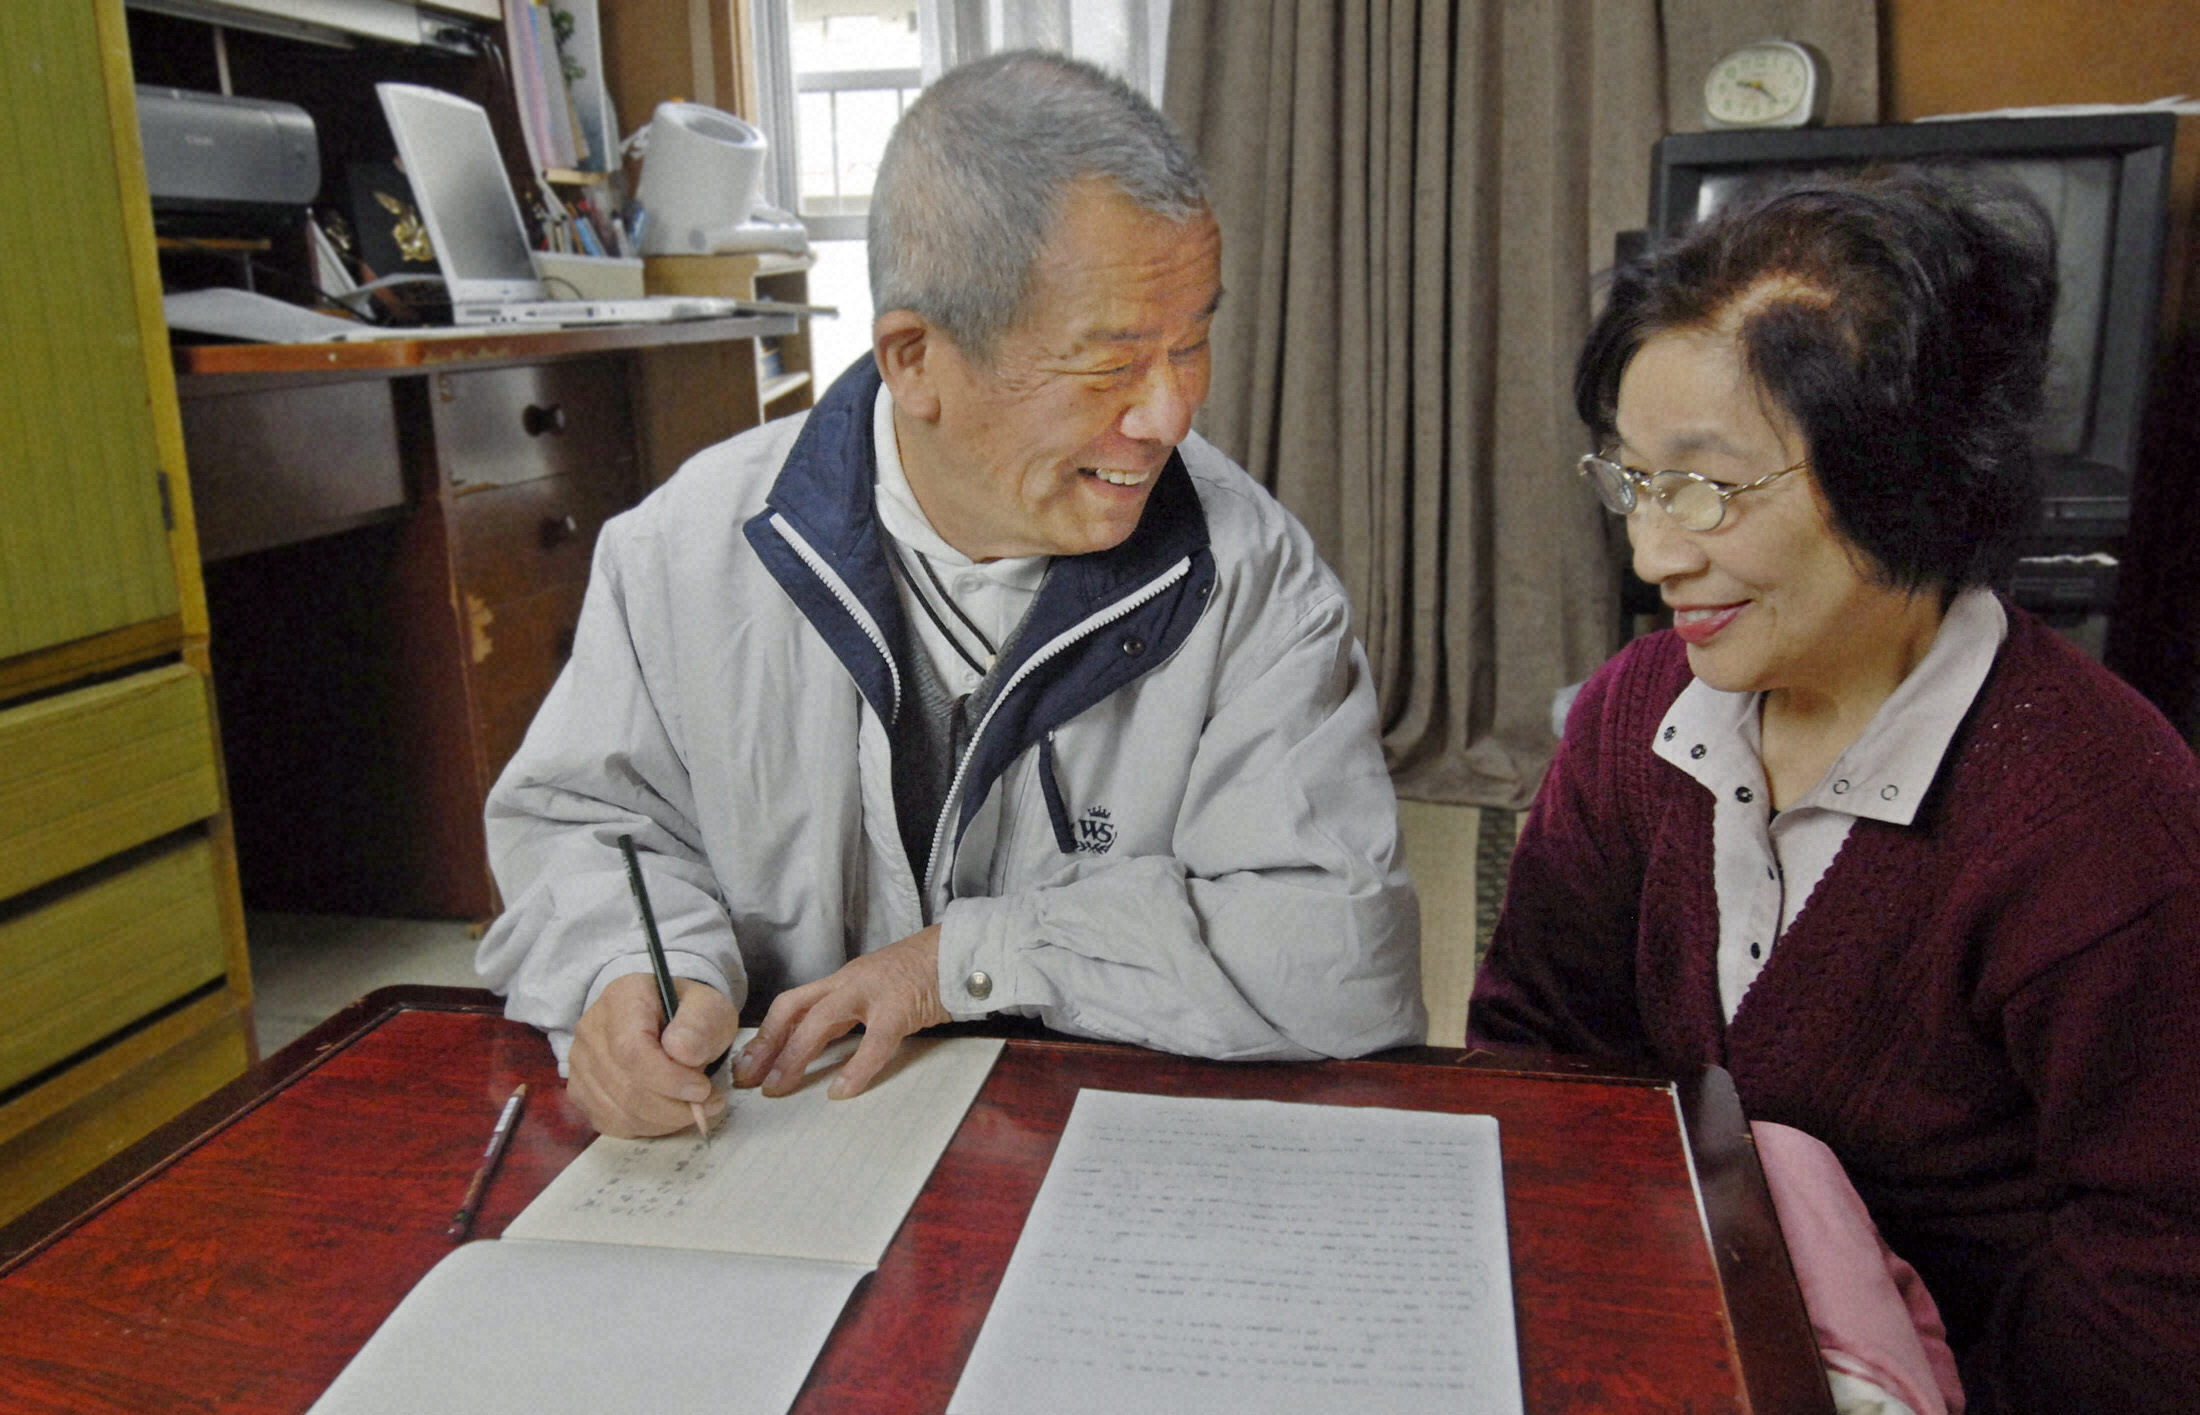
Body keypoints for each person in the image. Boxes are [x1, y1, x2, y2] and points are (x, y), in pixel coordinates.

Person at [477, 51, 1424, 1141]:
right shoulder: (682, 556)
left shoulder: (1252, 578)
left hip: (1096, 1153)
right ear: (915, 358)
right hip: (779, 1145)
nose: (1168, 415)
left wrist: (961, 964)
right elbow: (588, 825)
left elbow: (1337, 950)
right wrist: (629, 970)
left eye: (1194, 341)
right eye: (1109, 364)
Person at [1467, 167, 2200, 1413]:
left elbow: (2158, 1274)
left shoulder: (2103, 824)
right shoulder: (1633, 722)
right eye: (1632, 479)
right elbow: (1538, 1062)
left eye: (1706, 484)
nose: (1653, 551)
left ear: (1900, 471)